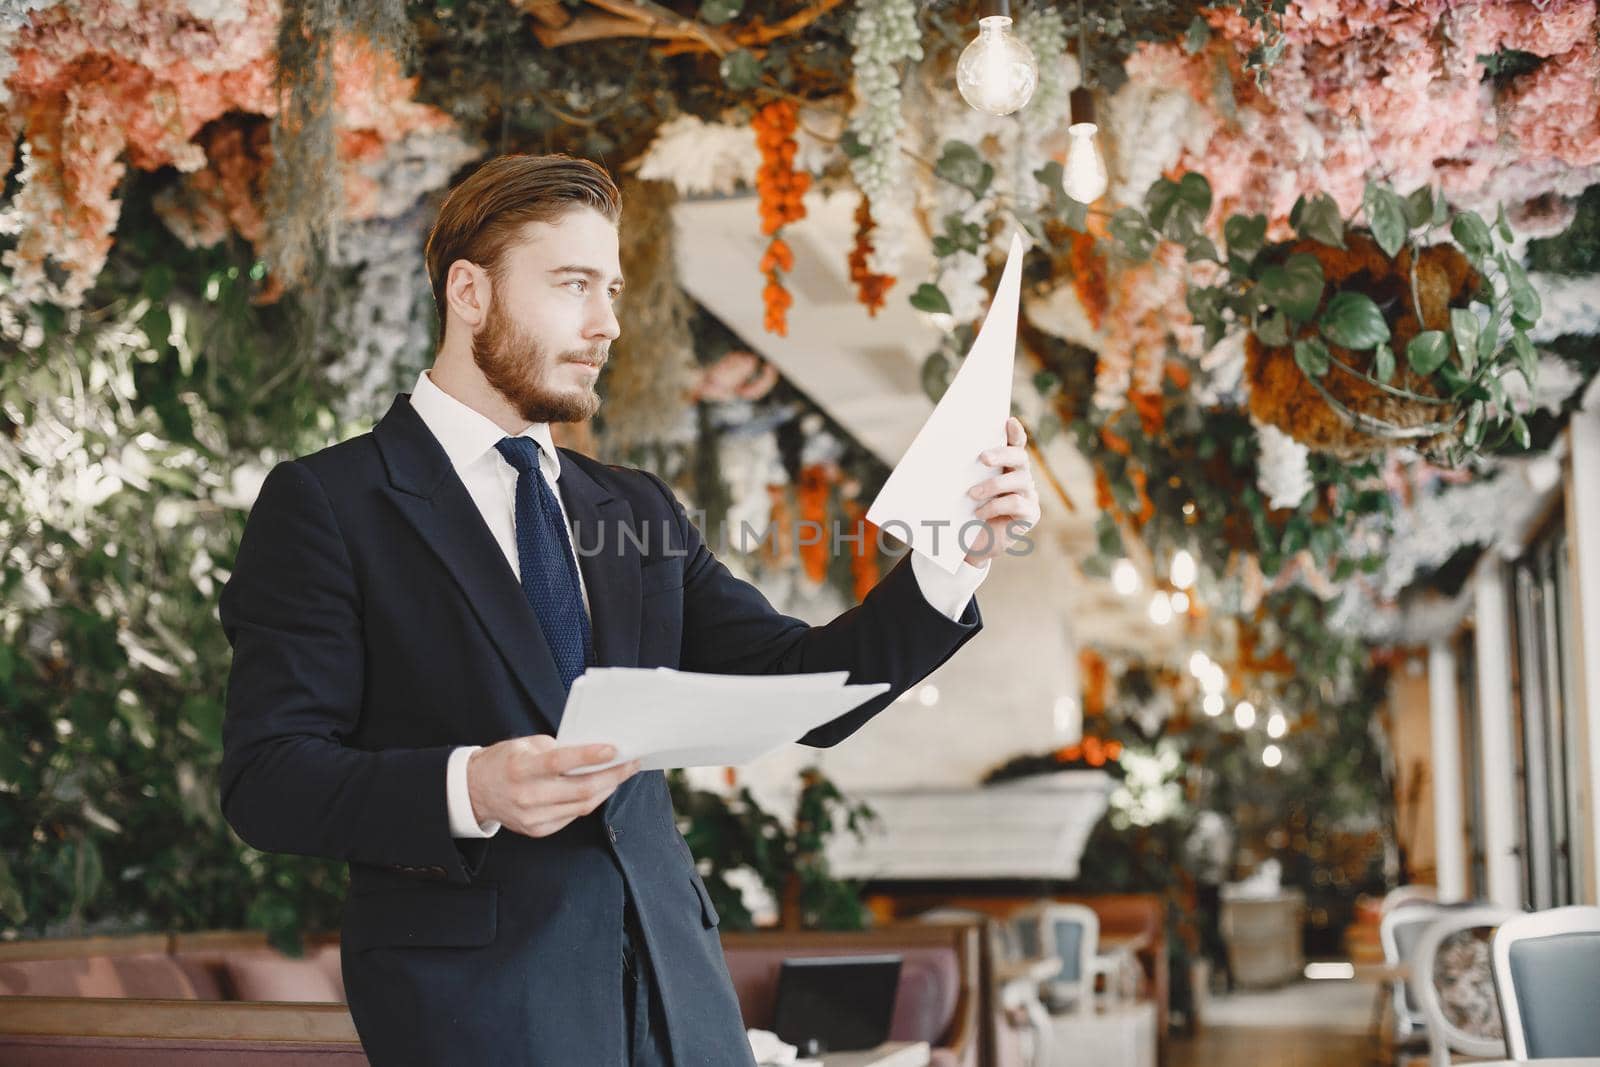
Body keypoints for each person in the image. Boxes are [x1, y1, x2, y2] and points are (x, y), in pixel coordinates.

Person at [219, 153, 1042, 1066]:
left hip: (679, 1000)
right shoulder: (330, 503)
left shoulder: (637, 509)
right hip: (475, 1017)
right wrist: (472, 786)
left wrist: (948, 566)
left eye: (612, 289)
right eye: (573, 285)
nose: (607, 323)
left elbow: (809, 686)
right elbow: (269, 779)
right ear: (469, 291)